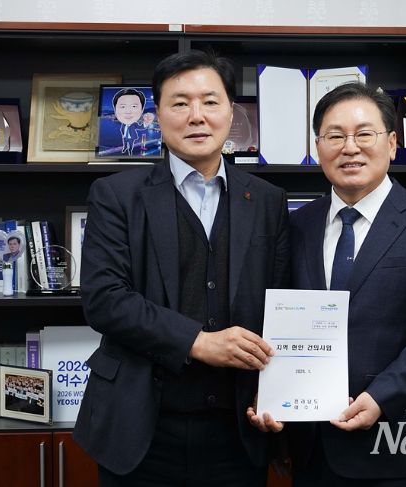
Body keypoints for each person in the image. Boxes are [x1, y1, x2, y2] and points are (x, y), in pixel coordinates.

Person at [73, 50, 290, 487]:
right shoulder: (116, 195)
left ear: (231, 110)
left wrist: (282, 394)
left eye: (210, 101)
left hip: (238, 429)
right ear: (157, 115)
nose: (197, 116)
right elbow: (104, 300)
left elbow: (282, 303)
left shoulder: (268, 200)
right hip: (140, 428)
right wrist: (198, 342)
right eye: (180, 103)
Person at [248, 83, 406, 486]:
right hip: (309, 446)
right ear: (318, 147)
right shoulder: (297, 224)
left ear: (392, 143)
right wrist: (270, 398)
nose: (349, 148)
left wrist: (382, 397)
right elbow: (276, 318)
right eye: (335, 136)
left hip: (393, 443)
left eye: (364, 134)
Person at [112, 87, 145, 155]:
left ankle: (130, 151)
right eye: (123, 106)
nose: (128, 112)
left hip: (131, 138)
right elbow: (122, 129)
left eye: (134, 106)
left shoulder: (134, 124)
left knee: (131, 145)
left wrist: (146, 123)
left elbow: (141, 127)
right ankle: (124, 148)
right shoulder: (123, 124)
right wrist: (123, 134)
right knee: (125, 144)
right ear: (115, 110)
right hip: (125, 137)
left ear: (142, 110)